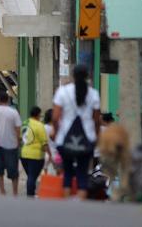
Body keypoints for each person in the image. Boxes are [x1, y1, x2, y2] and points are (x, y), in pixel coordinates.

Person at [52, 64, 101, 199]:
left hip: (64, 139)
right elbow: (96, 120)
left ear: (73, 75)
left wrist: (56, 134)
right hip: (87, 139)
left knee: (67, 172)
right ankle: (81, 204)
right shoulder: (94, 94)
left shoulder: (62, 92)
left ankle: (67, 204)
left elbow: (55, 118)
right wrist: (96, 136)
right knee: (82, 173)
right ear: (87, 76)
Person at [20, 106, 49, 197]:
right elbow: (44, 143)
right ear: (38, 115)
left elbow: (21, 138)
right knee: (32, 176)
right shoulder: (40, 125)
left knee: (30, 176)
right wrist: (50, 154)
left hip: (24, 154)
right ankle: (30, 194)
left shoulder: (25, 123)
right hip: (36, 156)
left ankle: (30, 192)